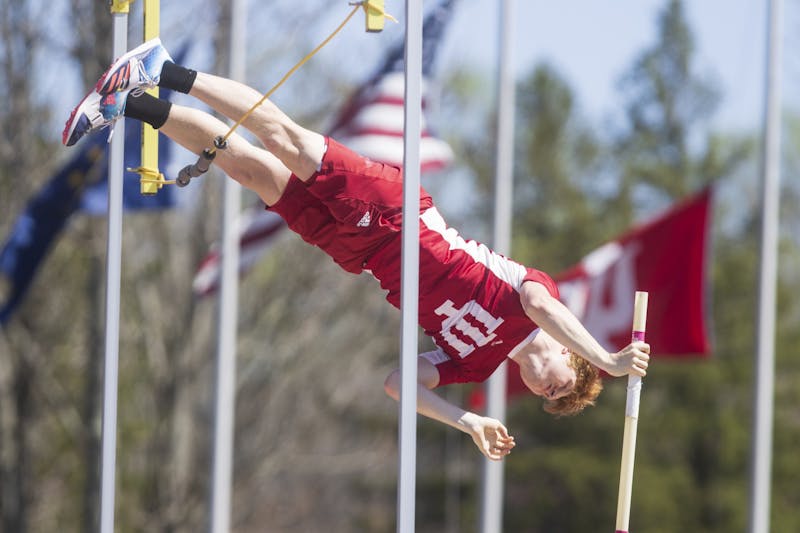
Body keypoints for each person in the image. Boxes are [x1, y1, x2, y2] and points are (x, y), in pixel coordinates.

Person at [64, 38, 650, 461]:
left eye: (553, 399)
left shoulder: (479, 364)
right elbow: (546, 311)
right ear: (569, 358)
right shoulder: (538, 300)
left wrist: (468, 421)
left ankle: (133, 105)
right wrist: (608, 360)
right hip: (397, 216)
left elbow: (399, 385)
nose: (551, 391)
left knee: (250, 171)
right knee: (286, 137)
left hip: (362, 253)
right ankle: (162, 69)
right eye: (565, 384)